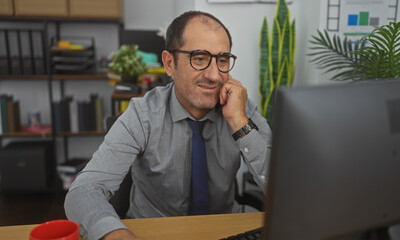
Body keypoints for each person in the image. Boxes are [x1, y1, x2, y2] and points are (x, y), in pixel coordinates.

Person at [64, 10, 272, 240]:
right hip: (155, 230)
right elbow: (83, 190)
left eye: (222, 60)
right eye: (200, 58)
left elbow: (285, 191)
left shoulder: (241, 109)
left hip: (226, 228)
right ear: (170, 63)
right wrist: (115, 234)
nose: (214, 75)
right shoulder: (142, 114)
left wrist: (239, 122)